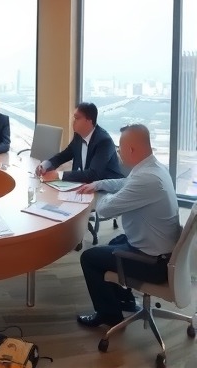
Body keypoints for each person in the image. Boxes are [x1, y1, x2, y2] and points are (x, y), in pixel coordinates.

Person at [75, 124, 180, 327]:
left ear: (131, 149)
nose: (118, 152)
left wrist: (100, 195)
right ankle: (125, 300)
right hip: (158, 250)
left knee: (89, 259)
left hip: (153, 263)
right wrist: (98, 184)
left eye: (120, 147)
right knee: (115, 242)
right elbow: (125, 184)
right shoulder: (153, 168)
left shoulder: (147, 179)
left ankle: (109, 315)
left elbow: (104, 210)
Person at [35, 102, 123, 183]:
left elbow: (94, 174)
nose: (73, 121)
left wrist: (59, 175)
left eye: (77, 118)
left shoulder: (104, 141)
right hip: (84, 184)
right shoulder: (78, 136)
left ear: (89, 121)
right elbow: (64, 155)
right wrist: (46, 165)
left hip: (105, 188)